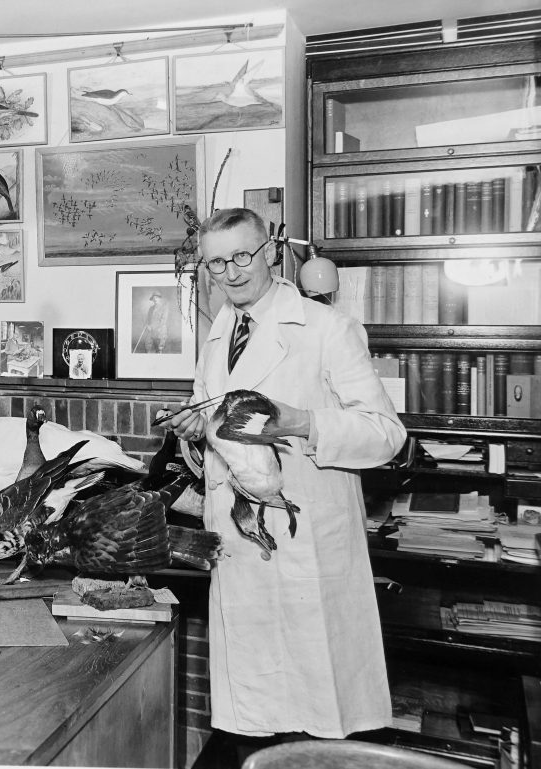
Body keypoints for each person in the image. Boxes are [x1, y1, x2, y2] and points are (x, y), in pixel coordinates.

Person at [165, 208, 406, 767]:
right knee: (252, 718)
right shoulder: (219, 331)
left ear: (271, 252)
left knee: (319, 722)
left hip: (307, 547)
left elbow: (386, 435)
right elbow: (223, 429)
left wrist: (300, 421)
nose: (231, 272)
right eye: (217, 262)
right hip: (239, 541)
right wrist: (195, 429)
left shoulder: (326, 328)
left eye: (243, 255)